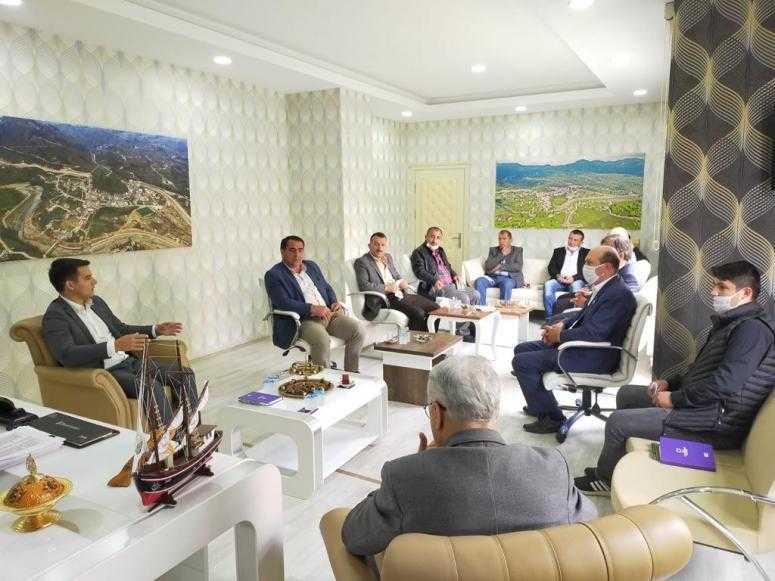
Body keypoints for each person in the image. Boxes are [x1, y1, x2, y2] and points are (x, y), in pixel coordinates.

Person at [341, 355, 597, 569]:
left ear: (436, 413)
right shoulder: (552, 467)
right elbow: (590, 524)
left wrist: (416, 467)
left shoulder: (405, 476)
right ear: (496, 409)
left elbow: (354, 536)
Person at [576, 261, 775, 495]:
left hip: (715, 424)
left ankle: (605, 480)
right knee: (626, 394)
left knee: (617, 423)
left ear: (746, 293)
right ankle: (621, 465)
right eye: (714, 286)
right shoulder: (733, 324)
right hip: (704, 408)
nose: (713, 292)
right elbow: (702, 371)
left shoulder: (753, 331)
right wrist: (670, 384)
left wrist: (674, 399)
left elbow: (725, 384)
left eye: (722, 287)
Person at [42, 258, 191, 423]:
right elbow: (67, 354)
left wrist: (155, 329)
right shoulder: (56, 316)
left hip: (129, 363)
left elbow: (120, 328)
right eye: (87, 278)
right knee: (150, 386)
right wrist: (114, 346)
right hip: (107, 372)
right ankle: (169, 437)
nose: (94, 281)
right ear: (70, 285)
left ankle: (190, 429)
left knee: (183, 374)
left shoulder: (97, 303)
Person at [513, 246, 637, 433]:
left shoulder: (618, 295)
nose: (585, 266)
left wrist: (559, 336)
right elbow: (581, 316)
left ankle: (552, 419)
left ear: (606, 268)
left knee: (522, 362)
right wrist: (560, 325)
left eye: (590, 263)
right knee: (521, 349)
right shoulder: (605, 287)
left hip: (595, 355)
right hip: (584, 347)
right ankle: (539, 403)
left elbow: (595, 333)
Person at [265, 235, 364, 372]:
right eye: (292, 250)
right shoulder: (274, 275)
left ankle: (352, 373)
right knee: (321, 340)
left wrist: (334, 302)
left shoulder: (311, 266)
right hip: (304, 320)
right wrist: (311, 308)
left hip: (329, 314)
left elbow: (326, 287)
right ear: (282, 252)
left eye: (300, 250)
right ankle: (324, 378)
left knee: (358, 330)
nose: (297, 254)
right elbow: (283, 302)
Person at [354, 232, 439, 331]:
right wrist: (386, 288)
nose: (380, 248)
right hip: (383, 300)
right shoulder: (362, 262)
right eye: (376, 244)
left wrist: (401, 281)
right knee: (418, 313)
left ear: (386, 246)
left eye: (383, 245)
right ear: (369, 245)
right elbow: (364, 285)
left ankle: (428, 338)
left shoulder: (388, 257)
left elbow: (396, 275)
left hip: (400, 294)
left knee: (436, 308)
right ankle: (414, 340)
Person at [410, 227, 479, 305]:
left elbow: (448, 266)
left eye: (438, 238)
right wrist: (434, 280)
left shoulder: (440, 250)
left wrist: (454, 275)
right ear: (426, 237)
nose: (434, 240)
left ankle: (470, 312)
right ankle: (462, 313)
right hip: (436, 287)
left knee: (476, 294)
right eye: (432, 236)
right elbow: (420, 272)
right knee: (464, 298)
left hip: (452, 284)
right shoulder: (418, 252)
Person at [544, 230, 589, 315]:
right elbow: (551, 267)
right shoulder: (558, 251)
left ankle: (572, 318)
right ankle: (551, 318)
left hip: (576, 280)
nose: (571, 242)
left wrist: (573, 278)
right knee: (548, 284)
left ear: (581, 242)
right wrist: (558, 276)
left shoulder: (587, 253)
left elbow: (587, 270)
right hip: (560, 280)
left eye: (575, 240)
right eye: (570, 238)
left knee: (576, 286)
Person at [474, 230, 524, 303]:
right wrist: (501, 254)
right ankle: (481, 308)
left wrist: (500, 266)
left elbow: (518, 266)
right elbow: (488, 266)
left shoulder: (518, 250)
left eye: (504, 239)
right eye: (499, 239)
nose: (501, 241)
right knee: (479, 281)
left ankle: (503, 308)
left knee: (506, 284)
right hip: (493, 277)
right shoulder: (493, 250)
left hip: (509, 278)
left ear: (510, 240)